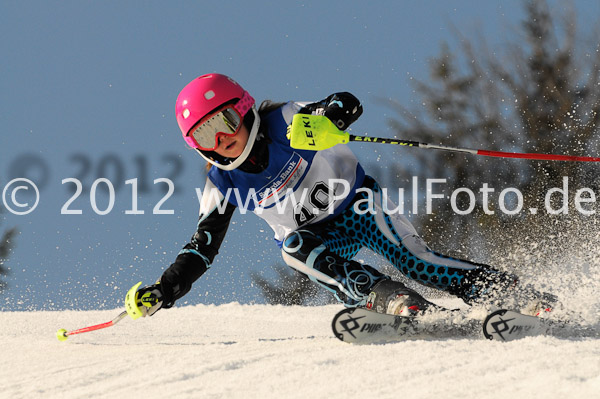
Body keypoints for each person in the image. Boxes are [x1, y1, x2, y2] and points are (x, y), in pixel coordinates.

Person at [126, 73, 553, 319]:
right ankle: (388, 299)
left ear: (244, 108)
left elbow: (344, 102)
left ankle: (516, 295)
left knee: (419, 262)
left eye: (225, 121)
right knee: (293, 249)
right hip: (323, 245)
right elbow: (201, 249)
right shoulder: (221, 184)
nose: (221, 139)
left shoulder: (286, 120)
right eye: (204, 134)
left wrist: (331, 116)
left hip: (360, 208)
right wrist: (164, 291)